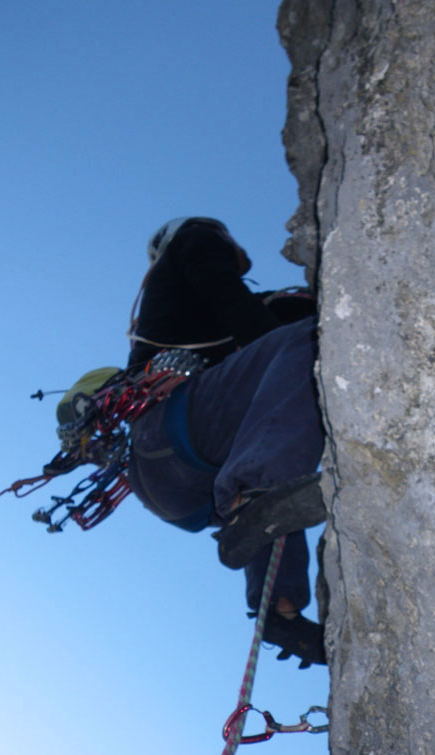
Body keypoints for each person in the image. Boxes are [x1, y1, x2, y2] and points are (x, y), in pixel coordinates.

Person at [125, 216, 327, 667]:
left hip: (169, 473)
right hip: (174, 426)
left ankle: (280, 611)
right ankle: (252, 502)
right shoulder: (195, 237)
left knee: (279, 469)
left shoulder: (183, 313)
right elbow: (232, 299)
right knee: (315, 343)